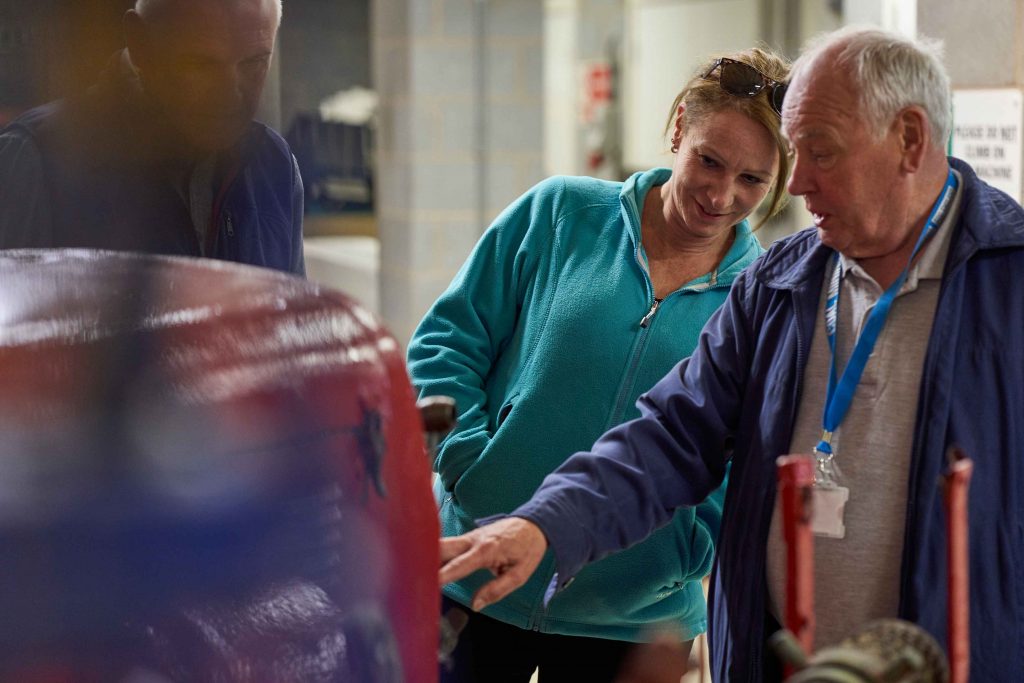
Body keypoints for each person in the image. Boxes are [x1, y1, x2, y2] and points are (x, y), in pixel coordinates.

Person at [437, 26, 1024, 683]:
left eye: (819, 154)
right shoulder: (784, 283)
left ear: (910, 139)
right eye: (794, 154)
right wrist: (544, 523)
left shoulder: (1009, 286)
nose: (796, 183)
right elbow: (671, 433)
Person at [409, 48, 792, 682]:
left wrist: (688, 548)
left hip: (635, 613)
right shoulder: (560, 214)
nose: (722, 195)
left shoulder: (763, 295)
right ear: (677, 132)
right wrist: (470, 467)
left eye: (752, 180)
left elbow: (752, 451)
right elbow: (445, 343)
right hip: (475, 568)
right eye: (709, 160)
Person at [0, 0, 304, 275]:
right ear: (139, 42)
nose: (229, 95)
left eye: (254, 63)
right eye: (201, 65)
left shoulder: (275, 166)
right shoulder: (37, 159)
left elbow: (293, 327)